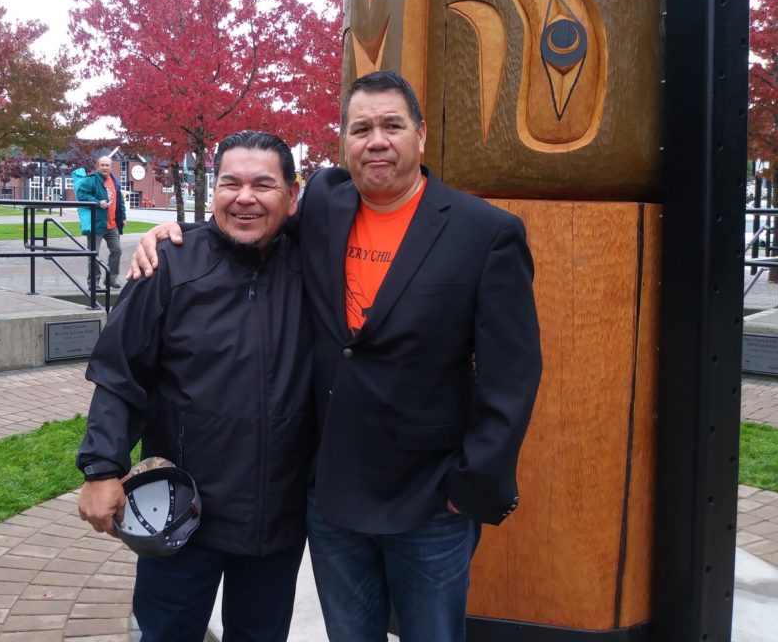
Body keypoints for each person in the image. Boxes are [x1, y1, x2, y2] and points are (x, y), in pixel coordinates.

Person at [129, 70, 542, 642]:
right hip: (333, 501)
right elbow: (251, 215)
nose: (377, 140)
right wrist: (175, 239)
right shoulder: (323, 201)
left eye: (392, 125)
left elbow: (511, 375)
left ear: (420, 136)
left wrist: (470, 486)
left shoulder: (485, 233)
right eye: (361, 127)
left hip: (428, 501)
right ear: (344, 141)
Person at [76, 131, 314, 642]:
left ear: (292, 196)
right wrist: (102, 468)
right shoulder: (169, 264)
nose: (244, 197)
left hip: (278, 517)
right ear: (213, 192)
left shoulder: (314, 266)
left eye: (264, 184)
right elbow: (121, 373)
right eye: (230, 183)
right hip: (182, 514)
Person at [75, 155, 126, 288]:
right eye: (102, 165)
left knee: (117, 251)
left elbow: (120, 201)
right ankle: (94, 282)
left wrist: (123, 217)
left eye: (107, 165)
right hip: (96, 224)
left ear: (111, 167)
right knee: (93, 254)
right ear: (98, 166)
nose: (104, 167)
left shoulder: (115, 181)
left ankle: (111, 279)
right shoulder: (91, 180)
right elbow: (81, 195)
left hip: (112, 224)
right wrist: (97, 203)